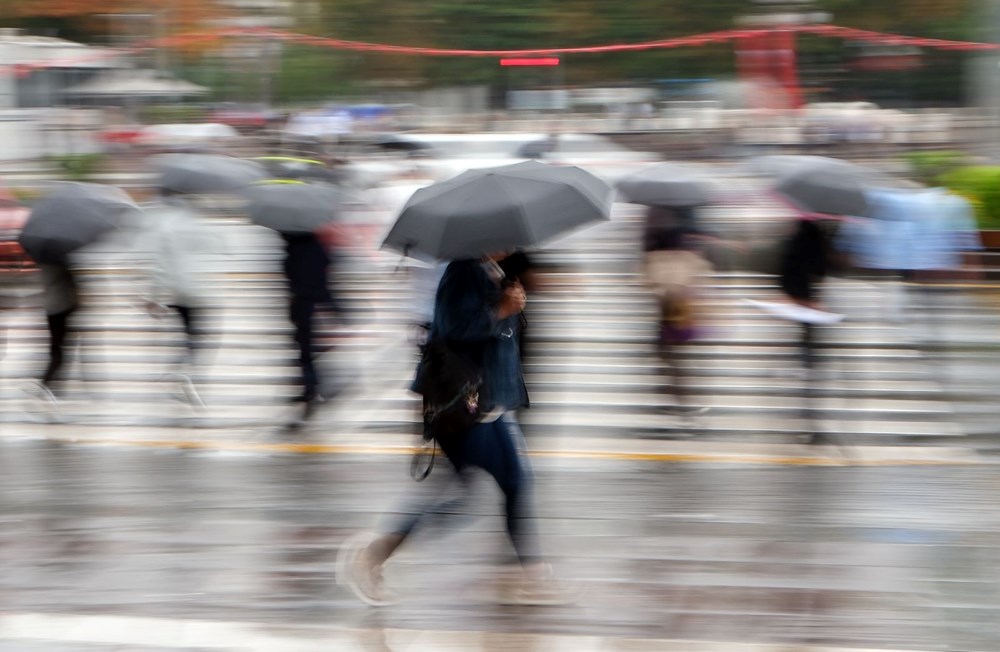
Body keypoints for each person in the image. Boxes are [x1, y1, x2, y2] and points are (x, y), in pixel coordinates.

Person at [338, 254, 570, 606]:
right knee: (487, 492)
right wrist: (501, 311)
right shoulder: (463, 270)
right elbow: (451, 326)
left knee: (509, 485)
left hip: (489, 403)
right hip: (465, 407)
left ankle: (535, 576)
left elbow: (499, 334)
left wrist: (511, 304)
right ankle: (374, 554)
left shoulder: (491, 270)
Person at [142, 188, 217, 407]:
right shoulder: (197, 224)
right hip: (199, 289)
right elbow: (210, 254)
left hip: (178, 289)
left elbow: (160, 267)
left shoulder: (165, 228)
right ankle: (185, 372)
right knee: (197, 336)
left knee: (188, 333)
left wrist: (154, 298)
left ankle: (181, 372)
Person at [641, 205, 712, 418]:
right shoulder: (683, 216)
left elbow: (651, 251)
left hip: (670, 292)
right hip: (675, 291)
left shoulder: (657, 218)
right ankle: (680, 395)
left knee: (671, 348)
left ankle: (682, 397)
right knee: (671, 347)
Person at [282, 231, 336, 420]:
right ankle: (312, 385)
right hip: (316, 300)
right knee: (308, 348)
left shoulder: (294, 247)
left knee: (305, 349)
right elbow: (326, 265)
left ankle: (311, 386)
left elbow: (290, 273)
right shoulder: (316, 245)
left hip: (304, 303)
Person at [36, 261, 78, 400]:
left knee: (56, 348)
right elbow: (72, 287)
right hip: (62, 309)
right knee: (60, 352)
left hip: (50, 310)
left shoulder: (43, 266)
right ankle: (47, 383)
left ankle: (51, 384)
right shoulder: (61, 266)